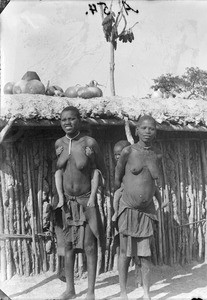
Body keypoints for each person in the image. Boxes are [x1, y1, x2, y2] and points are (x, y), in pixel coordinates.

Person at [54, 106, 106, 300]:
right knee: (68, 246)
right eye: (64, 119)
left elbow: (100, 169)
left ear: (80, 121)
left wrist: (95, 195)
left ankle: (91, 292)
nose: (67, 122)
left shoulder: (89, 142)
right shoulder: (59, 143)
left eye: (72, 119)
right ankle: (70, 289)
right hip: (66, 203)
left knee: (89, 246)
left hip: (86, 201)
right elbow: (58, 171)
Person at [114, 115, 163, 300]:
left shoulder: (157, 154)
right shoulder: (128, 152)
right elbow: (117, 178)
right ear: (136, 130)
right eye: (143, 128)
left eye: (151, 128)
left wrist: (158, 198)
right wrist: (124, 197)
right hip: (128, 209)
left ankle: (147, 294)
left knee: (145, 254)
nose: (147, 132)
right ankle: (124, 293)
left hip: (147, 212)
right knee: (125, 253)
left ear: (155, 132)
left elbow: (155, 181)